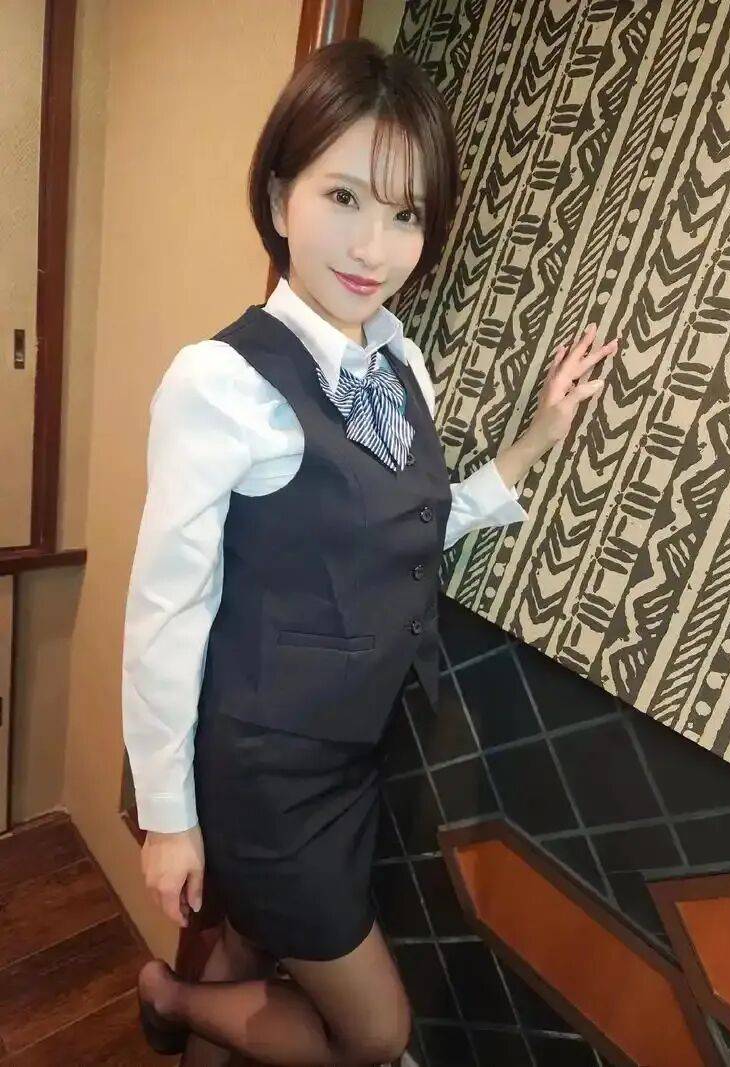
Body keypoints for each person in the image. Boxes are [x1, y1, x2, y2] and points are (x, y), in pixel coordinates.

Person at [124, 36, 617, 1067]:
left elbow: (404, 528)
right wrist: (168, 818)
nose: (373, 247)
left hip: (350, 754)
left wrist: (536, 438)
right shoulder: (220, 382)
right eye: (343, 197)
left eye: (405, 215)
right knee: (375, 1032)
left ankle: (185, 1003)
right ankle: (167, 992)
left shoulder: (402, 364)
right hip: (261, 769)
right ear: (279, 197)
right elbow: (165, 612)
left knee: (251, 943)